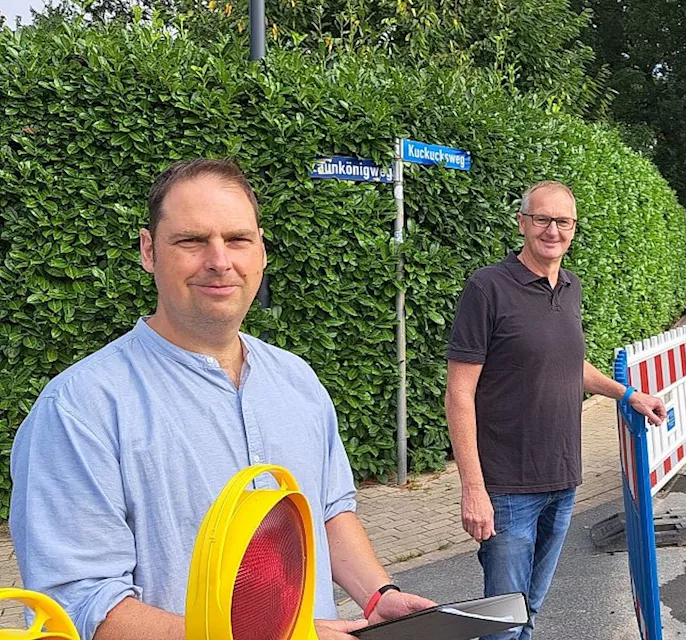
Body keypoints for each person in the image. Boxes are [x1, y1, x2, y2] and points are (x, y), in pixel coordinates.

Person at [9, 159, 436, 640]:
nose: (219, 261)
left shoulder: (298, 381)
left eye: (237, 240)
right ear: (149, 251)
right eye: (191, 241)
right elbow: (82, 606)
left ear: (262, 253)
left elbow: (330, 514)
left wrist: (380, 595)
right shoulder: (79, 409)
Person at [445, 180, 666, 640]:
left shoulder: (570, 286)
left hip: (563, 480)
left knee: (531, 609)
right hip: (506, 489)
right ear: (523, 223)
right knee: (503, 622)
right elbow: (459, 392)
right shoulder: (487, 288)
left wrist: (627, 394)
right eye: (542, 219)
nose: (552, 230)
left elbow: (570, 363)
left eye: (562, 221)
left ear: (574, 228)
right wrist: (473, 488)